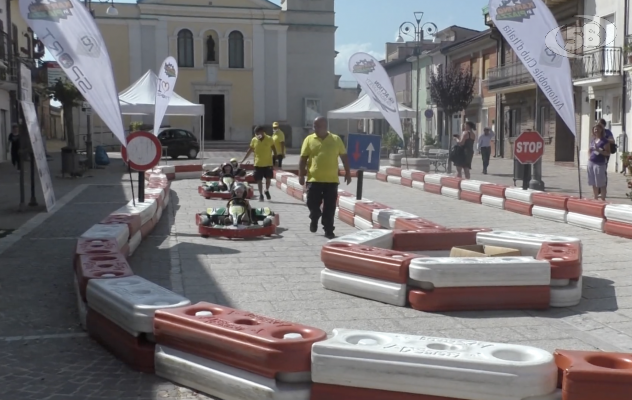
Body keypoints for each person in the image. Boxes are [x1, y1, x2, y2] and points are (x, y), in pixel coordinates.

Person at [299, 117, 351, 239]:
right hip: (313, 179)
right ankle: (315, 215)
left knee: (330, 207)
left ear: (325, 127)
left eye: (318, 126)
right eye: (314, 126)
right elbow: (303, 158)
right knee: (311, 202)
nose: (315, 129)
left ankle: (328, 229)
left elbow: (344, 156)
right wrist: (301, 174)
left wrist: (347, 172)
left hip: (331, 180)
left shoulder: (336, 139)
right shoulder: (309, 139)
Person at [242, 126, 276, 201]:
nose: (258, 134)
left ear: (263, 132)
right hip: (258, 163)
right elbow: (250, 150)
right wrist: (243, 160)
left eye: (259, 132)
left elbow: (274, 148)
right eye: (256, 133)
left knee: (268, 179)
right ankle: (261, 195)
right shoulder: (254, 140)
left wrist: (275, 159)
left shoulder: (269, 139)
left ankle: (266, 190)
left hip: (268, 163)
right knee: (259, 180)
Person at [588, 124, 611, 201]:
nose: (596, 130)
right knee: (593, 182)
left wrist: (599, 150)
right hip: (591, 163)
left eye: (597, 129)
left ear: (601, 130)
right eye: (595, 129)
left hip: (600, 164)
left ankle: (603, 199)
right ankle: (595, 198)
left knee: (601, 183)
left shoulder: (604, 141)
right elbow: (590, 150)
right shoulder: (593, 140)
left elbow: (608, 153)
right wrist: (589, 157)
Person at [598, 119, 615, 195]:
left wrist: (604, 139)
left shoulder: (607, 132)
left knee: (603, 171)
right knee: (597, 171)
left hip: (605, 153)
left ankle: (603, 189)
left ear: (603, 125)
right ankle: (598, 189)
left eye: (600, 124)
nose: (599, 126)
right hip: (597, 154)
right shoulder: (597, 132)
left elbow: (612, 140)